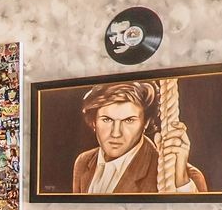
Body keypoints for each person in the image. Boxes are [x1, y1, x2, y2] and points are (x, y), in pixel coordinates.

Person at [69, 81, 206, 193]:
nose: (116, 133)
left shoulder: (185, 177)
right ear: (94, 121)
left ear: (145, 122)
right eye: (107, 119)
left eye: (129, 120)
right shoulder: (83, 162)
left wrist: (181, 181)